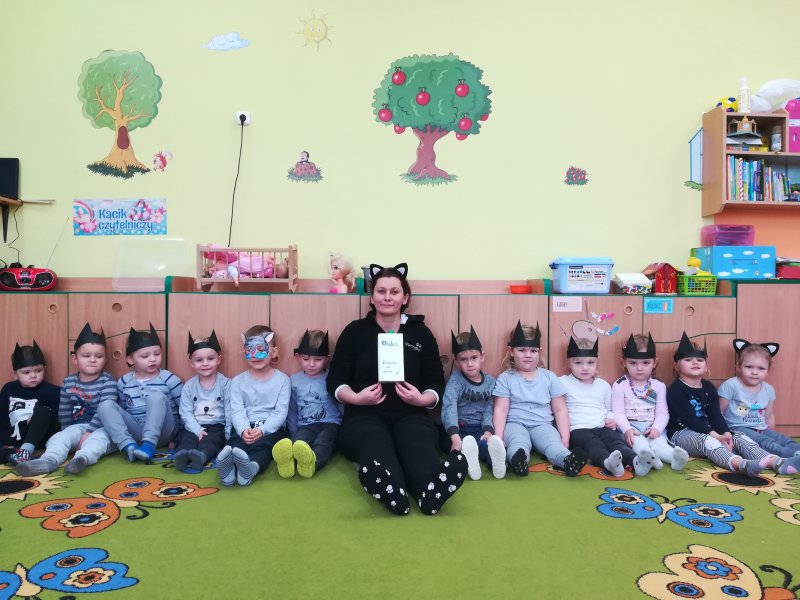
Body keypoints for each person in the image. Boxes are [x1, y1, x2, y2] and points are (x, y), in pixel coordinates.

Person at [327, 263, 467, 516]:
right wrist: (356, 398)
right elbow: (335, 380)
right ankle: (394, 493)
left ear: (405, 298)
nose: (387, 297)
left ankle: (429, 493)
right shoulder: (355, 332)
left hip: (411, 414)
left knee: (418, 447)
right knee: (375, 446)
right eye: (381, 291)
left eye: (394, 292)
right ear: (372, 297)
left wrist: (422, 399)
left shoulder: (420, 333)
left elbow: (436, 381)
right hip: (363, 416)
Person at [666, 332, 800, 476]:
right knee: (709, 441)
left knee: (739, 437)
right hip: (682, 433)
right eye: (688, 360)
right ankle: (741, 465)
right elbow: (690, 420)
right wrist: (715, 435)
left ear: (706, 366)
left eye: (700, 359)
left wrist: (726, 433)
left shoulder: (708, 387)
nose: (695, 362)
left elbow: (716, 415)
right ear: (677, 366)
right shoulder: (676, 390)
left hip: (708, 429)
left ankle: (776, 462)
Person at [16, 324, 117, 476]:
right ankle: (48, 461)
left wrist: (88, 433)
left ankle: (82, 460)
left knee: (97, 441)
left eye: (99, 356)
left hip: (102, 427)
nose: (92, 360)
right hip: (77, 427)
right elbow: (65, 412)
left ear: (105, 359)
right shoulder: (69, 382)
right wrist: (67, 434)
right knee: (58, 438)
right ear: (75, 358)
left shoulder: (108, 381)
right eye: (86, 356)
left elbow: (105, 412)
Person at [492, 321, 586, 478]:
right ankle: (518, 461)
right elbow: (500, 409)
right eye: (522, 350)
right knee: (518, 442)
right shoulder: (505, 378)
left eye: (533, 351)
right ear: (511, 352)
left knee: (552, 444)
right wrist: (499, 436)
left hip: (542, 424)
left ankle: (568, 460)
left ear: (539, 352)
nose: (528, 355)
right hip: (515, 423)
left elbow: (560, 409)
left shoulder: (549, 377)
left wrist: (565, 435)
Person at [562, 336, 655, 478]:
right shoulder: (562, 382)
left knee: (615, 441)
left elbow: (609, 409)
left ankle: (635, 461)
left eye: (590, 362)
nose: (585, 368)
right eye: (578, 363)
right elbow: (558, 409)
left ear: (597, 363)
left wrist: (610, 418)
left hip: (601, 426)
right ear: (569, 363)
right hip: (578, 429)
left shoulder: (603, 385)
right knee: (593, 444)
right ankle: (607, 462)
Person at [96, 323, 182, 462]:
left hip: (164, 432)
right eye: (145, 356)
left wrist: (180, 436)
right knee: (105, 405)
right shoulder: (124, 382)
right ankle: (128, 446)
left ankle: (149, 445)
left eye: (157, 354)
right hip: (136, 432)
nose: (153, 359)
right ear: (130, 359)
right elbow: (123, 409)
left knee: (156, 396)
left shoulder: (169, 379)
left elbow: (184, 408)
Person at [217, 326, 290, 487]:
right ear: (244, 351)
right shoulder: (237, 381)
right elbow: (237, 410)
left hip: (271, 429)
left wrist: (263, 430)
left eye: (261, 350)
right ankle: (227, 469)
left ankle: (251, 468)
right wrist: (244, 430)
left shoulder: (283, 380)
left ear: (273, 352)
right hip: (245, 426)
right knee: (236, 444)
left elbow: (280, 413)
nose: (255, 355)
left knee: (263, 447)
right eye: (249, 350)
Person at [611, 333, 689, 471]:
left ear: (654, 363)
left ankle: (674, 458)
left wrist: (657, 429)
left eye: (645, 363)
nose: (639, 368)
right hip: (630, 426)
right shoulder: (619, 384)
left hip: (651, 426)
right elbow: (618, 412)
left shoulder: (659, 385)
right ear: (624, 362)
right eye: (633, 363)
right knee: (639, 443)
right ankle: (651, 460)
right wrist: (627, 429)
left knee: (659, 443)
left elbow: (662, 413)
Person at [272, 329, 341, 478]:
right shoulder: (294, 380)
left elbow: (341, 401)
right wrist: (293, 434)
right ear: (298, 357)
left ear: (327, 359)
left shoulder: (332, 376)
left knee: (324, 442)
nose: (311, 364)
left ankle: (313, 463)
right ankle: (289, 462)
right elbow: (292, 410)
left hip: (331, 424)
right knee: (300, 442)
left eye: (318, 359)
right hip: (305, 425)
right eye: (306, 359)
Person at [441, 326, 505, 480]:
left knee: (484, 445)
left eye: (474, 358)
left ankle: (495, 462)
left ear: (482, 356)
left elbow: (489, 409)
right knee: (447, 442)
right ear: (456, 361)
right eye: (464, 359)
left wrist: (488, 431)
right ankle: (468, 461)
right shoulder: (456, 380)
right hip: (457, 428)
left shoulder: (490, 382)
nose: (469, 364)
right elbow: (449, 407)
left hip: (478, 429)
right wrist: (454, 436)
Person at [718, 339, 800, 458]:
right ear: (739, 366)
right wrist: (722, 434)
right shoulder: (730, 385)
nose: (754, 372)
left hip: (761, 427)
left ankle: (796, 450)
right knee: (765, 442)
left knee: (782, 439)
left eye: (761, 368)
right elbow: (718, 412)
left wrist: (771, 432)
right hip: (737, 428)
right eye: (749, 367)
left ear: (768, 371)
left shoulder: (769, 389)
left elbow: (769, 415)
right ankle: (793, 456)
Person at [172, 331, 230, 472]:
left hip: (217, 426)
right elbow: (185, 413)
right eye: (199, 360)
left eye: (210, 359)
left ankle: (201, 456)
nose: (205, 364)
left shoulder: (226, 384)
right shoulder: (189, 386)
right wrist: (197, 430)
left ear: (218, 359)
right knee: (186, 438)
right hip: (194, 425)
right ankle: (182, 456)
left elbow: (230, 411)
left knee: (212, 441)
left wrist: (229, 435)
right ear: (191, 362)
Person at [0, 340, 60, 466]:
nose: (33, 375)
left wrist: (35, 418)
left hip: (40, 436)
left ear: (44, 369)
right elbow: (2, 417)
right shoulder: (8, 389)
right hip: (16, 434)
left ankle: (24, 452)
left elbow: (56, 420)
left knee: (43, 411)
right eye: (26, 372)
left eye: (38, 371)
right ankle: (9, 452)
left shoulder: (52, 391)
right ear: (15, 374)